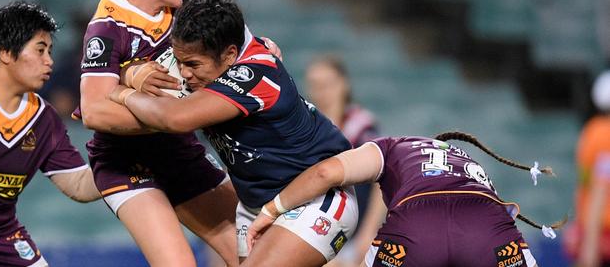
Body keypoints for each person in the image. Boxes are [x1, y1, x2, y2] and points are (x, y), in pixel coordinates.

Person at [108, 0, 359, 266]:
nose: (185, 73)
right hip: (258, 206)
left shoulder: (253, 73)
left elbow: (174, 119)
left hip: (315, 199)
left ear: (228, 55)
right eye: (180, 63)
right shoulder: (211, 63)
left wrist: (120, 91)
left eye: (193, 64)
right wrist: (129, 73)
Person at [74, 0, 283, 266]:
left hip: (178, 152)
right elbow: (94, 111)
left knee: (262, 253)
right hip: (125, 161)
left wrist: (263, 49)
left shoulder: (187, 2)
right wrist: (170, 116)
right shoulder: (107, 29)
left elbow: (245, 46)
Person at [248, 131, 567, 267]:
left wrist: (271, 210)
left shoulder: (391, 147)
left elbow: (325, 174)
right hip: (486, 226)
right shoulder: (471, 165)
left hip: (417, 226)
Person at [0, 1, 100, 267]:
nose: (50, 61)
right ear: (6, 53)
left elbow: (79, 185)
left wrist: (129, 165)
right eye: (40, 50)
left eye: (50, 51)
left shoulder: (43, 119)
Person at [305, 55, 384, 267]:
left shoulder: (360, 126)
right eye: (315, 85)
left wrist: (369, 234)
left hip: (355, 233)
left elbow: (381, 183)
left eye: (327, 84)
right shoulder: (307, 128)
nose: (321, 91)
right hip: (318, 230)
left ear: (343, 84)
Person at [564, 70, 610, 267]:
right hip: (602, 233)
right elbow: (601, 187)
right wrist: (590, 248)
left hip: (588, 228)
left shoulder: (590, 131)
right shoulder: (605, 136)